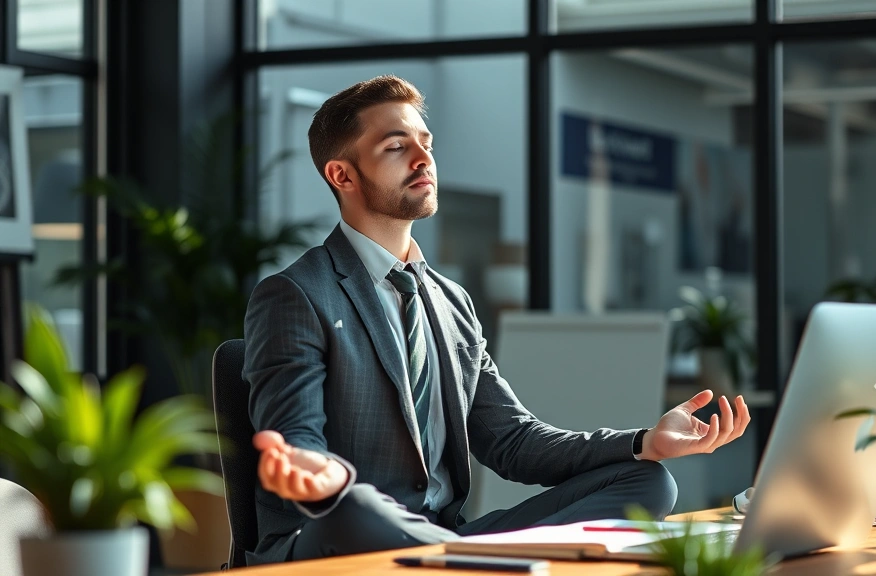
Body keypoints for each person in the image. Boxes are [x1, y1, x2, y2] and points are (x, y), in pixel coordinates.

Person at [243, 75, 751, 566]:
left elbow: (515, 443)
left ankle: (470, 558)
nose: (424, 160)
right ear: (343, 175)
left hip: (444, 533)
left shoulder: (451, 302)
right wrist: (320, 474)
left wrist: (644, 442)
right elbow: (295, 438)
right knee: (355, 505)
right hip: (341, 531)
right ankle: (481, 559)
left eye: (427, 143)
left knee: (649, 481)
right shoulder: (296, 295)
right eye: (397, 147)